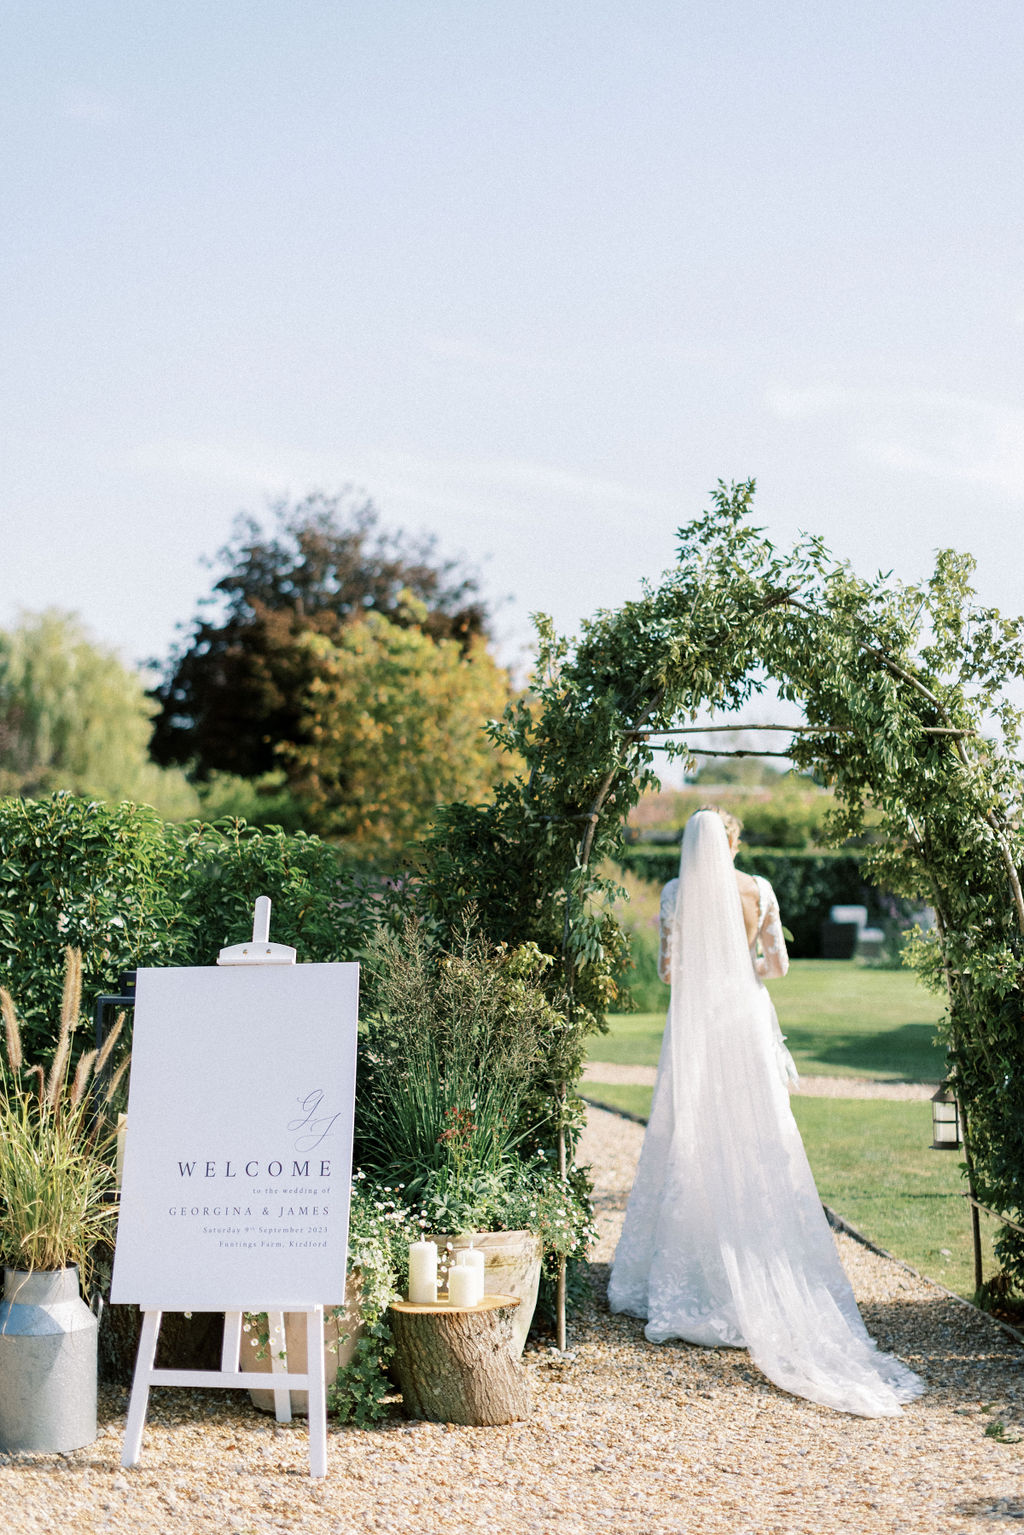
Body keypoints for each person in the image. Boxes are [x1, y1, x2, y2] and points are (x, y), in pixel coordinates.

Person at [607, 806, 924, 1417]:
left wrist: (707, 971)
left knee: (688, 1132)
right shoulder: (760, 889)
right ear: (733, 842)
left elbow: (670, 972)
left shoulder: (675, 893)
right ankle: (757, 1255)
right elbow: (776, 965)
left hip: (697, 1025)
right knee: (758, 1132)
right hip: (744, 1019)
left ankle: (690, 1270)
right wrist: (738, 969)